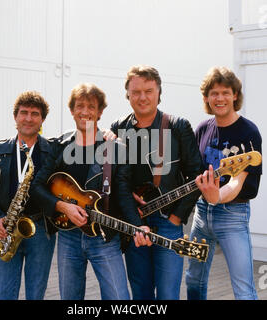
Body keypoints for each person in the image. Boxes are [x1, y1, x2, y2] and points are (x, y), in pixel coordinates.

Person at [31, 83, 139, 300]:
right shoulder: (60, 146)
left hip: (104, 237)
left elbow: (124, 194)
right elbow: (36, 186)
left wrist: (138, 225)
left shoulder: (116, 149)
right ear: (71, 110)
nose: (85, 112)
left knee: (119, 298)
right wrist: (62, 207)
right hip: (68, 236)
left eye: (91, 107)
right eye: (80, 106)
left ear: (100, 112)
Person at [110, 65, 203, 300]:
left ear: (159, 92)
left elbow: (196, 176)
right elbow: (113, 178)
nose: (142, 97)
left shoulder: (178, 126)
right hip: (133, 221)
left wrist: (177, 217)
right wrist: (132, 219)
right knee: (140, 292)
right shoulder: (117, 128)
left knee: (168, 295)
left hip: (168, 222)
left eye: (148, 91)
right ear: (127, 95)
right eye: (136, 92)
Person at [185, 66, 262, 300]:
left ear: (235, 95)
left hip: (233, 214)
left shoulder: (249, 132)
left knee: (243, 289)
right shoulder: (202, 129)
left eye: (225, 92)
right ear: (207, 97)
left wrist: (217, 196)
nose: (220, 98)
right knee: (193, 281)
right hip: (200, 215)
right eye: (214, 93)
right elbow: (193, 174)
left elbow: (237, 182)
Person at [0, 91, 56, 300]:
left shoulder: (52, 151)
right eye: (23, 113)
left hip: (40, 230)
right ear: (15, 117)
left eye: (35, 114)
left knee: (35, 294)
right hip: (7, 227)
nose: (28, 118)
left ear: (42, 119)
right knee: (2, 294)